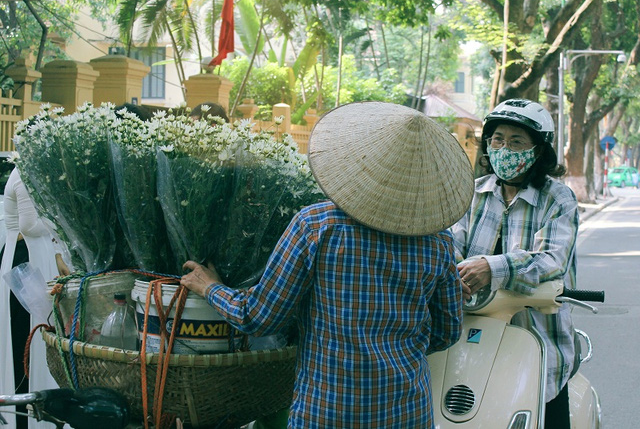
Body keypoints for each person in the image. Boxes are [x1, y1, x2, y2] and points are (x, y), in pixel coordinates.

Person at [180, 101, 475, 428]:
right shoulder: (439, 242)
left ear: (358, 160)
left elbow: (259, 317)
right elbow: (447, 332)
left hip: (326, 412)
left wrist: (210, 287)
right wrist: (399, 348)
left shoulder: (316, 226)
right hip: (405, 412)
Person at [451, 99, 579, 429]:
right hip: (470, 334)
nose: (504, 149)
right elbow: (448, 244)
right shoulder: (473, 192)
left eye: (516, 141)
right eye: (497, 139)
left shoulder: (557, 198)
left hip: (537, 337)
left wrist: (493, 267)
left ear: (538, 151)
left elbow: (552, 261)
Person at [0, 167, 71, 429]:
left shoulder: (36, 170)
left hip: (32, 259)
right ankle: (24, 416)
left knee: (38, 337)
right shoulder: (26, 172)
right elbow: (29, 225)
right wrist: (65, 217)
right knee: (27, 340)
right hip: (25, 264)